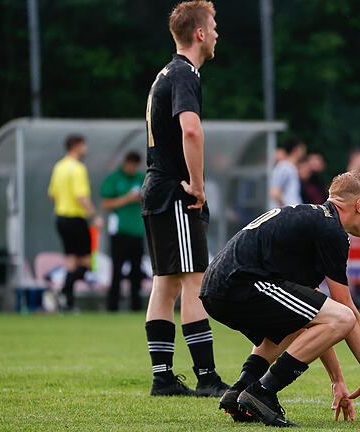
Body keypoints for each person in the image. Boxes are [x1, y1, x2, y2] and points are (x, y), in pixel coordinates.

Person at [202, 172, 360, 426]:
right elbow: (344, 310)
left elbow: (314, 315)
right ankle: (262, 392)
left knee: (303, 318)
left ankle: (241, 389)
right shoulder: (331, 230)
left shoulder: (313, 220)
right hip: (240, 284)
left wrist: (337, 380)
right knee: (345, 317)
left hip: (219, 286)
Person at [140, 0, 228, 398]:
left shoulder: (166, 73)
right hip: (176, 191)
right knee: (194, 281)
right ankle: (207, 377)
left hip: (156, 188)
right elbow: (190, 130)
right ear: (198, 34)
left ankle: (163, 378)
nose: (215, 33)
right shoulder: (184, 74)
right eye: (212, 26)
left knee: (166, 285)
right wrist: (197, 183)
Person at [47, 135, 103, 310]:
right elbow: (81, 197)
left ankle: (67, 303)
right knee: (87, 263)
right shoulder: (77, 168)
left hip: (61, 219)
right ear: (76, 147)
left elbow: (52, 195)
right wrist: (95, 216)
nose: (85, 149)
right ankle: (64, 292)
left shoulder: (59, 166)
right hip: (76, 219)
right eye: (83, 146)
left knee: (71, 262)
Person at [101, 151, 146, 311]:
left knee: (136, 272)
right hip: (119, 233)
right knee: (117, 270)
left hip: (138, 232)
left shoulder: (141, 178)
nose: (133, 168)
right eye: (131, 164)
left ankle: (136, 307)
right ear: (125, 163)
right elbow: (106, 204)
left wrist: (140, 198)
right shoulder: (114, 179)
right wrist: (126, 199)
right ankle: (112, 306)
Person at [270, 138, 305, 207]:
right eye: (302, 149)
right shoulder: (285, 167)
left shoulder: (291, 167)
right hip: (288, 213)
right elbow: (275, 192)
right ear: (296, 150)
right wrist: (286, 210)